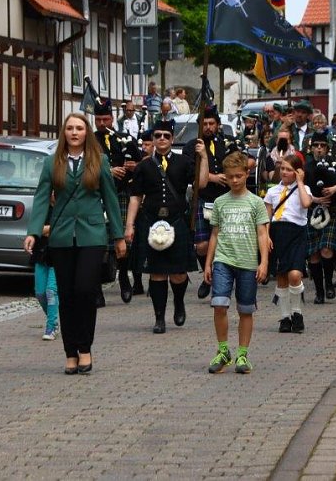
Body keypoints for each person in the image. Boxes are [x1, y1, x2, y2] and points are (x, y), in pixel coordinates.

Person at [23, 113, 126, 375]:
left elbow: (111, 199)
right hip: (61, 236)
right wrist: (34, 232)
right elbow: (42, 197)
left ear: (86, 132)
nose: (74, 132)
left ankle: (85, 348)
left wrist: (118, 236)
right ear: (64, 133)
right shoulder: (51, 163)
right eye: (69, 128)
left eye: (79, 128)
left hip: (92, 235)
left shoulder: (99, 161)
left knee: (84, 291)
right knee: (66, 295)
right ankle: (70, 351)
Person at [125, 120, 208, 334]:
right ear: (152, 139)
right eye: (158, 135)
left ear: (172, 139)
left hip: (177, 221)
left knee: (179, 274)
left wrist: (204, 157)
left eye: (166, 136)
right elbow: (135, 197)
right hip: (151, 223)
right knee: (157, 273)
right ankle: (159, 318)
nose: (162, 139)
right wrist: (129, 225)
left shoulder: (184, 162)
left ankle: (179, 303)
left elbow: (201, 183)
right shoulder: (143, 166)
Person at [204, 151, 270, 374]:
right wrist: (208, 262)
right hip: (223, 259)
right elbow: (215, 233)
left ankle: (242, 354)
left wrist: (264, 263)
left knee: (245, 309)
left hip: (247, 262)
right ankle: (223, 350)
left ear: (247, 174)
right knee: (219, 304)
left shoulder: (256, 203)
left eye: (238, 176)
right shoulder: (220, 202)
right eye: (230, 176)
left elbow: (262, 234)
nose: (234, 180)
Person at [182, 104, 240, 299]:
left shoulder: (228, 143)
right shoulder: (192, 147)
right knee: (202, 245)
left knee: (224, 243)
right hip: (203, 198)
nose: (208, 127)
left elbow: (245, 161)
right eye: (204, 124)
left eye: (211, 123)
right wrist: (214, 177)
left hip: (226, 199)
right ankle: (209, 276)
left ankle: (218, 278)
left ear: (218, 125)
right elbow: (192, 176)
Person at [95, 101, 141, 304]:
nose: (102, 123)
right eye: (98, 120)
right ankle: (97, 290)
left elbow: (142, 165)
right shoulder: (90, 141)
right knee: (97, 242)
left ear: (112, 119)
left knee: (123, 240)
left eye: (105, 119)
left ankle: (123, 276)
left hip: (121, 193)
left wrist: (134, 167)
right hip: (96, 196)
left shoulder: (126, 139)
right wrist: (108, 171)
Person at [264, 154, 313, 333]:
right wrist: (266, 236)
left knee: (294, 275)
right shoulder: (272, 191)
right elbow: (267, 217)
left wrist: (300, 182)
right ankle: (285, 317)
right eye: (282, 168)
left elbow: (306, 203)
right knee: (282, 276)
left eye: (289, 170)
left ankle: (297, 313)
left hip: (296, 234)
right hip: (277, 234)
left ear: (298, 172)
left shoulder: (304, 189)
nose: (284, 172)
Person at [305, 130, 336, 303]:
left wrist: (334, 189)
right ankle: (319, 292)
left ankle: (329, 285)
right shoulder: (306, 166)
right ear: (310, 148)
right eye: (316, 146)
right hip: (312, 211)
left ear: (327, 148)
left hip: (332, 210)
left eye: (322, 146)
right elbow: (300, 191)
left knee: (326, 248)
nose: (319, 149)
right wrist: (316, 199)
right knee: (314, 254)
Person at [31, 205, 59, 341]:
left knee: (51, 291)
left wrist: (46, 229)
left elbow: (65, 228)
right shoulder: (42, 208)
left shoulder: (65, 205)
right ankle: (54, 320)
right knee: (40, 293)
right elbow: (34, 229)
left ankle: (51, 326)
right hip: (41, 254)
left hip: (59, 255)